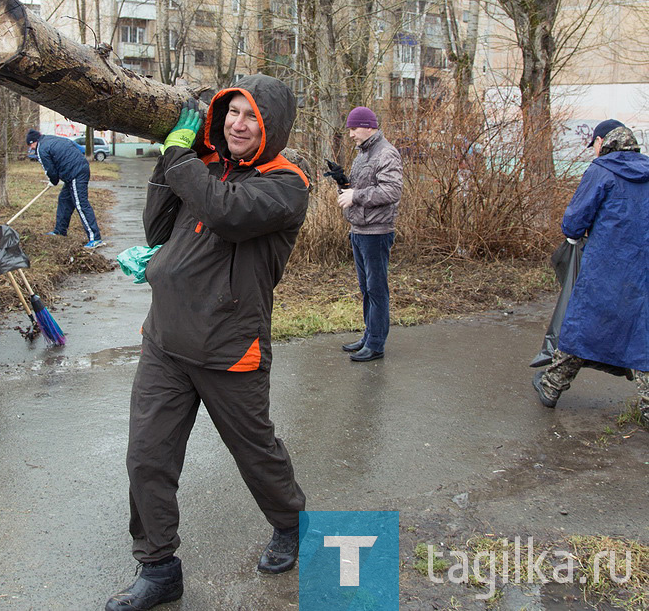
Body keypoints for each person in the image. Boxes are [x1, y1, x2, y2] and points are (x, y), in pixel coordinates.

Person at [106, 75, 310, 611]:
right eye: (231, 113)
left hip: (228, 348)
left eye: (251, 117)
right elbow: (156, 227)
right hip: (165, 340)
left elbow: (225, 211)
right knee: (147, 457)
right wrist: (174, 153)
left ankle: (291, 524)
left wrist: (181, 159)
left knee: (254, 451)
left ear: (272, 127)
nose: (238, 125)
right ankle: (157, 566)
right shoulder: (206, 168)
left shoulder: (287, 184)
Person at [532, 121, 649, 423]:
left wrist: (573, 238)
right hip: (643, 270)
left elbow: (574, 222)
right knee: (642, 331)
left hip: (605, 267)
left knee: (583, 325)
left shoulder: (602, 171)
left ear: (601, 142)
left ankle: (551, 386)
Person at [336, 106, 403, 362]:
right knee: (366, 288)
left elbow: (391, 191)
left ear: (368, 126)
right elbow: (359, 189)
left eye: (354, 128)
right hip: (359, 229)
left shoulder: (387, 153)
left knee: (376, 289)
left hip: (377, 231)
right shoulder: (363, 154)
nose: (351, 134)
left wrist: (356, 195)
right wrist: (342, 182)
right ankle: (368, 335)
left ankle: (376, 344)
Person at [25, 129, 104, 248]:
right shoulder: (51, 138)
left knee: (80, 203)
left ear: (33, 142)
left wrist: (53, 180)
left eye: (30, 145)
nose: (31, 148)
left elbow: (50, 169)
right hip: (76, 170)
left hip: (75, 173)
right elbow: (77, 147)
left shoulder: (41, 148)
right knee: (64, 200)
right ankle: (60, 231)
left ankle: (95, 238)